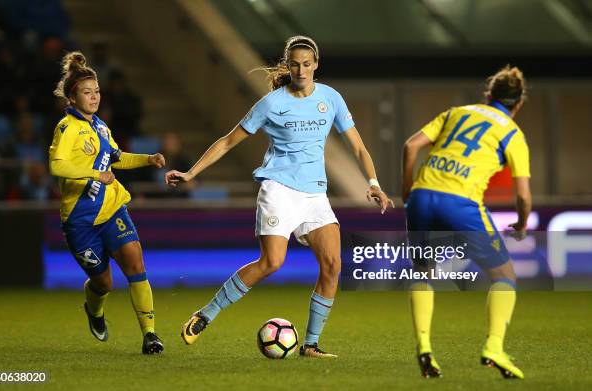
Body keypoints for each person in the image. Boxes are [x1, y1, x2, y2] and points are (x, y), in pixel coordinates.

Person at [165, 35, 392, 358]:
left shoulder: (331, 98)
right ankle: (206, 314)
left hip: (315, 195)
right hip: (279, 190)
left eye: (307, 64)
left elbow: (357, 145)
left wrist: (372, 182)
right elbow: (229, 141)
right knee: (272, 262)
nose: (301, 70)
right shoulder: (272, 104)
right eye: (295, 64)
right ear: (288, 66)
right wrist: (191, 173)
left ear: (316, 65)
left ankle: (310, 345)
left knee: (332, 265)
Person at [401, 65, 531, 379]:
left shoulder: (456, 112)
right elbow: (524, 196)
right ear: (519, 103)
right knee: (505, 276)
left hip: (421, 196)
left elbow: (410, 146)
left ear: (489, 94)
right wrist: (522, 223)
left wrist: (408, 191)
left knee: (423, 272)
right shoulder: (512, 133)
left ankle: (424, 348)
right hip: (460, 202)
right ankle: (494, 347)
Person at [48, 52, 166, 354]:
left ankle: (150, 335)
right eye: (86, 92)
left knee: (135, 263)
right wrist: (95, 174)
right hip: (80, 221)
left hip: (112, 208)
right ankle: (95, 310)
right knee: (103, 283)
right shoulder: (67, 127)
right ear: (72, 98)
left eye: (97, 91)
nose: (94, 97)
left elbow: (117, 158)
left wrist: (147, 159)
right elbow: (57, 166)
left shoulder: (100, 126)